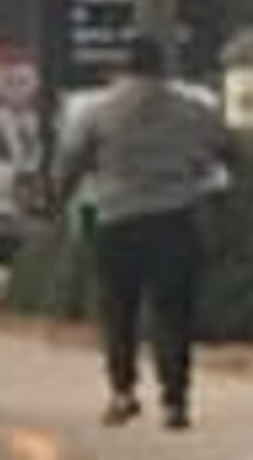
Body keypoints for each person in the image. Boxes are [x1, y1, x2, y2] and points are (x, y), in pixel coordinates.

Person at [53, 32, 224, 426]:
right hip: (175, 217)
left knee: (118, 310)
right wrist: (200, 172)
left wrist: (58, 203)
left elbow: (71, 163)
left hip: (118, 218)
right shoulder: (192, 110)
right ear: (163, 67)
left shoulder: (97, 112)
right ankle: (175, 401)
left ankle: (123, 393)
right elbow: (228, 150)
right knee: (173, 313)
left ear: (123, 68)